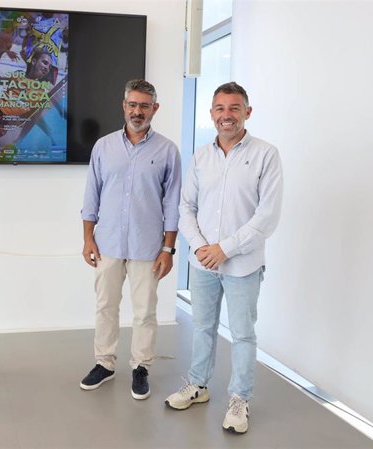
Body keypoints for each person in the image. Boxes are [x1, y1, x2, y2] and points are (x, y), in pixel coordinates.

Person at [165, 82, 283, 434]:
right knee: (202, 327)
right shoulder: (201, 156)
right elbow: (186, 206)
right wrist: (202, 246)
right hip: (202, 262)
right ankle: (198, 385)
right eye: (219, 108)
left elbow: (267, 215)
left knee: (243, 334)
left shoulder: (266, 154)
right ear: (211, 113)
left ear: (247, 112)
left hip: (243, 263)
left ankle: (239, 399)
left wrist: (225, 248)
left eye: (234, 108)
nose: (226, 115)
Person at [80, 79, 181, 400]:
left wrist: (168, 248)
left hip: (147, 247)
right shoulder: (103, 147)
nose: (138, 111)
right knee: (105, 305)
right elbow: (91, 195)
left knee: (145, 311)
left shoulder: (167, 151)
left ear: (155, 109)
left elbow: (172, 203)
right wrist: (87, 238)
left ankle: (141, 367)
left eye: (145, 106)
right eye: (133, 105)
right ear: (124, 106)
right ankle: (104, 363)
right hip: (107, 242)